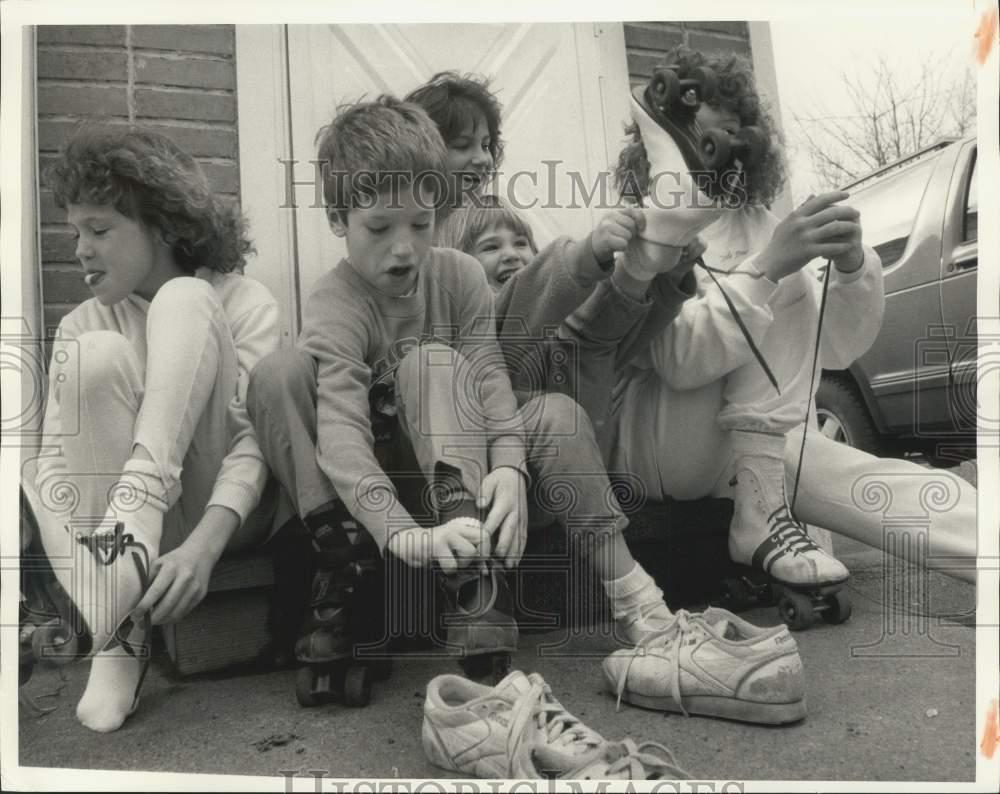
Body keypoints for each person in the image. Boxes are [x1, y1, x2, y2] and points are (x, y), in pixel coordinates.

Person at [30, 124, 281, 733]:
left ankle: (137, 513)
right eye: (75, 233)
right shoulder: (83, 323)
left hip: (213, 515)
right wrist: (81, 573)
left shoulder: (242, 301)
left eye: (99, 230)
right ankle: (122, 630)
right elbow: (51, 469)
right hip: (115, 539)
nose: (81, 250)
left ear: (164, 225)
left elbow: (254, 443)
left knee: (185, 300)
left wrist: (203, 547)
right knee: (94, 356)